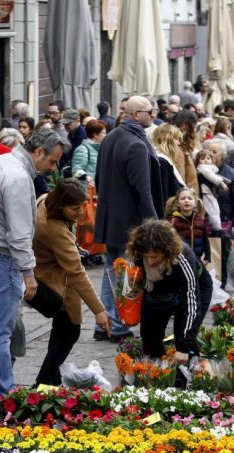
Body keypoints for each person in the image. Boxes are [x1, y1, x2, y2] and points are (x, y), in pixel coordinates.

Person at [0, 129, 67, 408]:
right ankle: (2, 396)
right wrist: (28, 273)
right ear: (38, 152)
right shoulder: (17, 176)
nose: (52, 169)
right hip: (1, 257)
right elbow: (19, 232)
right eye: (51, 162)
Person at [93, 95, 165, 343]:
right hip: (129, 222)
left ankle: (105, 323)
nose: (154, 115)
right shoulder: (135, 144)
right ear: (136, 115)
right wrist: (155, 226)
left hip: (110, 217)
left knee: (112, 269)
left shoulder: (111, 137)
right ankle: (117, 324)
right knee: (124, 272)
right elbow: (143, 191)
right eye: (149, 111)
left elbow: (99, 180)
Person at [32, 180, 110, 385]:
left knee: (61, 332)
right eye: (75, 208)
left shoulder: (44, 201)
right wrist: (99, 310)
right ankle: (44, 384)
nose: (80, 213)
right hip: (55, 284)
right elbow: (76, 273)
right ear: (60, 206)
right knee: (69, 330)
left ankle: (51, 381)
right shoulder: (56, 230)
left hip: (44, 275)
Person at [126, 219, 212, 367]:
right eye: (147, 256)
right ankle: (159, 375)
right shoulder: (139, 253)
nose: (150, 262)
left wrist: (183, 347)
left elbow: (191, 304)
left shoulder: (182, 256)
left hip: (195, 289)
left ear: (167, 251)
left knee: (184, 338)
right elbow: (141, 299)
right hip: (159, 289)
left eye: (155, 257)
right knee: (151, 338)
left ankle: (191, 379)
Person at [201, 140, 234, 288]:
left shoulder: (231, 173)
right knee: (207, 253)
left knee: (223, 253)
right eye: (208, 152)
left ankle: (221, 285)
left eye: (215, 152)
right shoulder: (200, 172)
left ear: (223, 155)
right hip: (205, 220)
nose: (211, 155)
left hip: (224, 220)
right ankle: (209, 285)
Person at [166, 186, 209, 262]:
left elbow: (205, 239)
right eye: (183, 198)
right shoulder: (173, 221)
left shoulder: (200, 219)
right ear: (177, 203)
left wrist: (207, 258)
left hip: (197, 259)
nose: (186, 200)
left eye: (190, 198)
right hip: (180, 260)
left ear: (195, 203)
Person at [150, 123, 190, 202]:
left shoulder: (162, 160)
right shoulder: (162, 162)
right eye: (177, 139)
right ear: (168, 140)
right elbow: (163, 196)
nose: (179, 143)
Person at [71, 119, 105, 192]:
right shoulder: (83, 149)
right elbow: (76, 170)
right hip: (87, 192)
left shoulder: (102, 149)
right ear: (95, 134)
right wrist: (86, 177)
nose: (106, 135)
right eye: (103, 133)